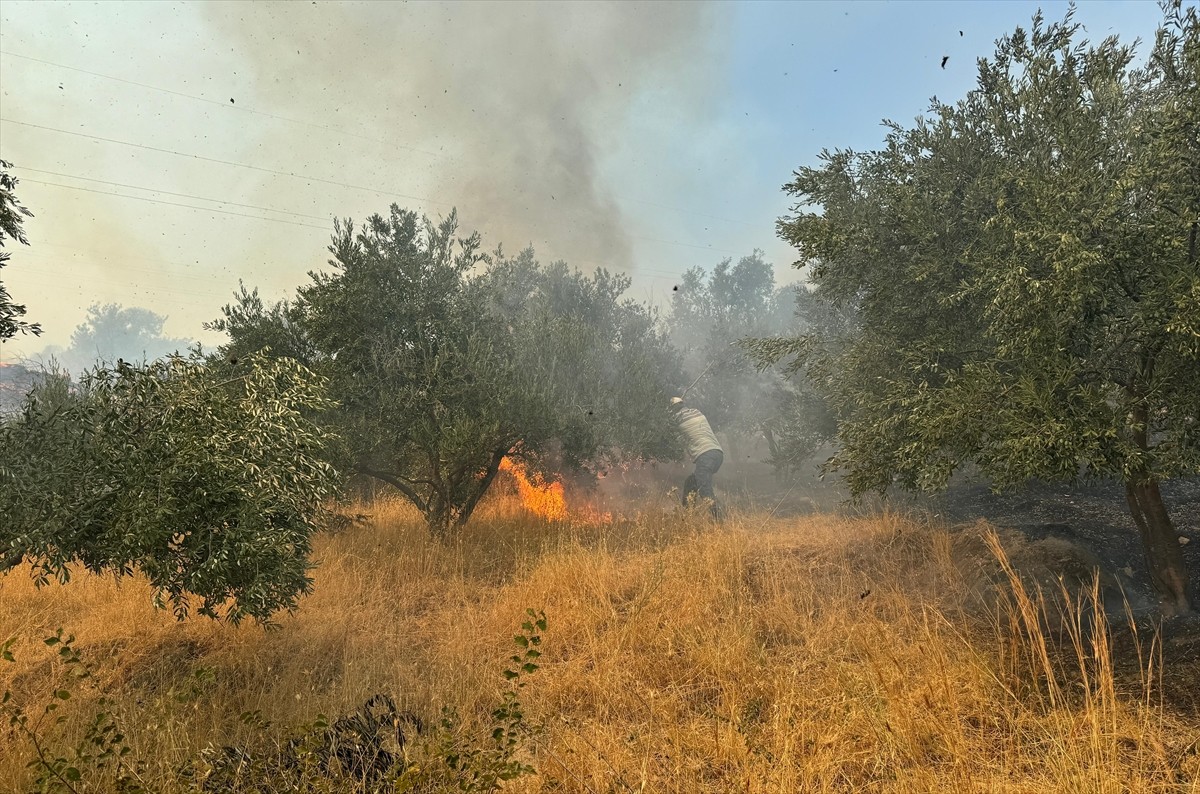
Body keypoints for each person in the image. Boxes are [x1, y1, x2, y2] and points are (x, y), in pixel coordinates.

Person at [670, 396, 724, 517]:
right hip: (717, 454)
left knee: (705, 491)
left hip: (705, 455)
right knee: (691, 482)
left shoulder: (677, 418)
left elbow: (669, 426)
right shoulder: (696, 412)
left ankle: (720, 520)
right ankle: (687, 515)